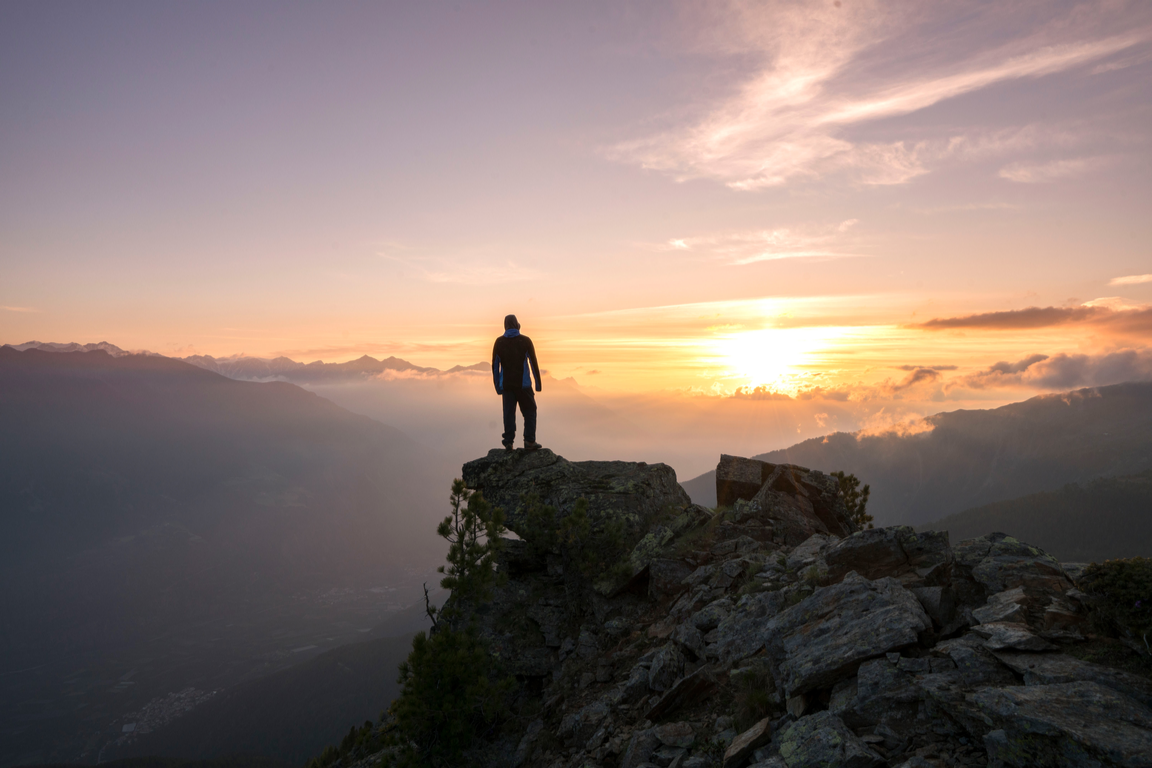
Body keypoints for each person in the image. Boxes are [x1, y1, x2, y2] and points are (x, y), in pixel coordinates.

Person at [492, 314, 542, 451]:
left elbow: (495, 366)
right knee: (530, 411)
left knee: (509, 413)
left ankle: (508, 442)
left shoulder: (499, 342)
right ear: (517, 324)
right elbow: (533, 363)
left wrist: (498, 386)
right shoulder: (525, 341)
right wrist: (538, 384)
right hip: (523, 385)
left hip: (507, 386)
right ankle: (529, 441)